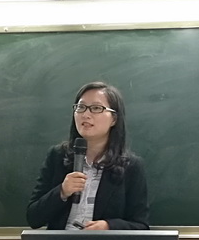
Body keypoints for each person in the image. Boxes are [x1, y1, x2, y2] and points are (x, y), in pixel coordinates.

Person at [26, 81, 150, 230]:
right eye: (81, 107)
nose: (85, 115)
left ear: (114, 119)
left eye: (96, 108)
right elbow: (33, 218)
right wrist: (62, 191)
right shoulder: (57, 156)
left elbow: (141, 226)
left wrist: (108, 226)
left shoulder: (131, 166)